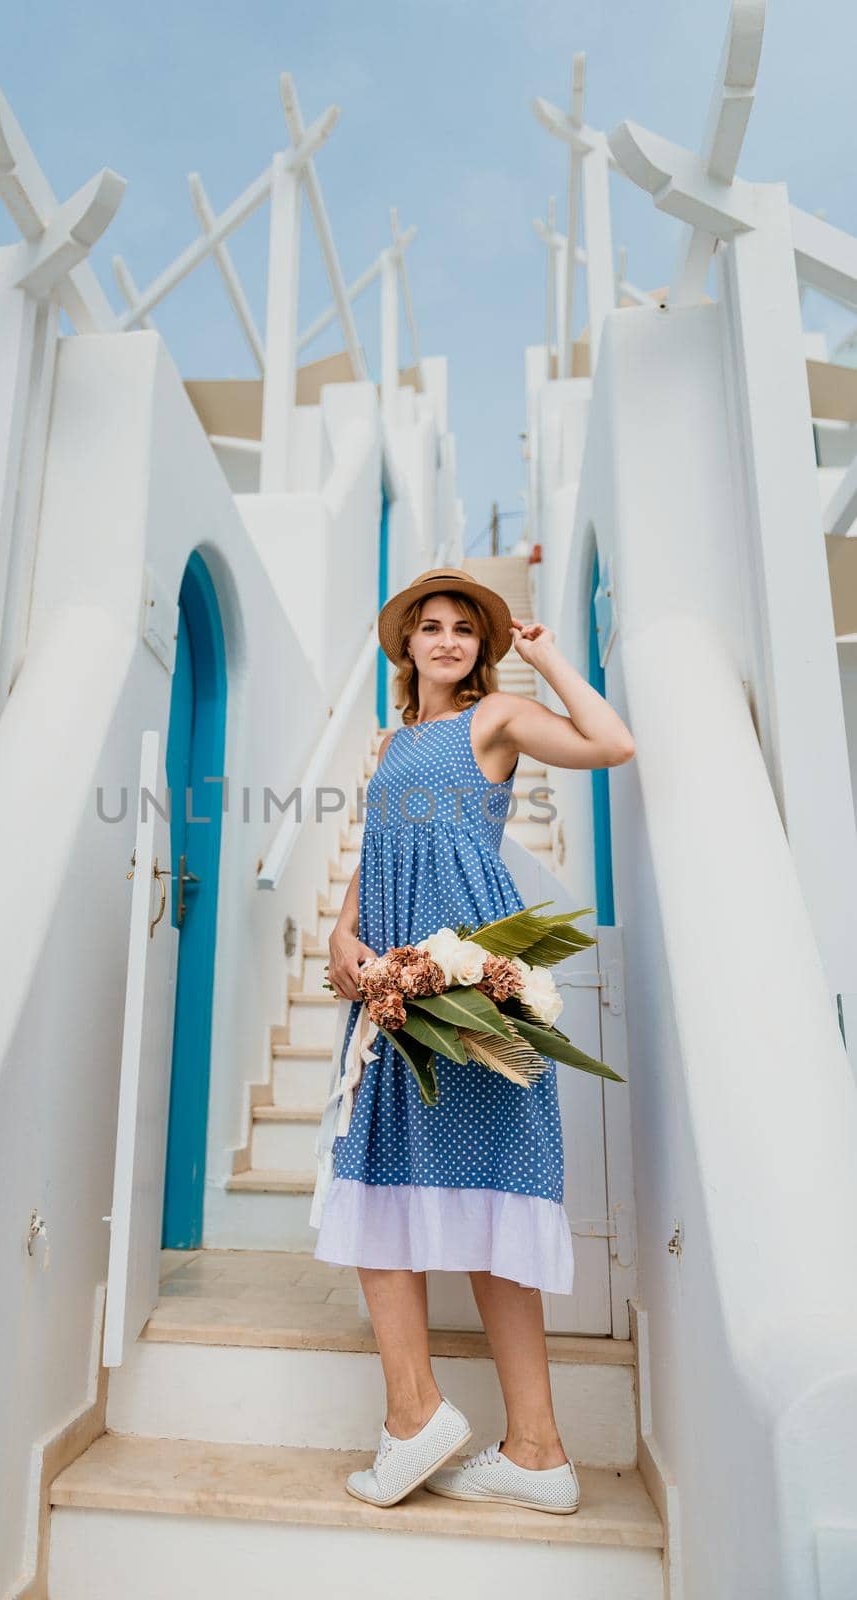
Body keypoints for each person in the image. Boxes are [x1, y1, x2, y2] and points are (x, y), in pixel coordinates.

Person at [311, 567, 636, 1512]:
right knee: (380, 1185)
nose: (448, 640)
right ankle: (440, 1426)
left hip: (471, 982)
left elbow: (611, 742)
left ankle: (522, 1446)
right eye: (431, 628)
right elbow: (382, 855)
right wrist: (342, 932)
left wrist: (543, 658)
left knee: (497, 1203)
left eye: (464, 629)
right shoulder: (393, 743)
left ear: (480, 648)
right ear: (405, 646)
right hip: (393, 982)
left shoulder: (492, 722)